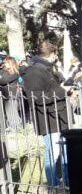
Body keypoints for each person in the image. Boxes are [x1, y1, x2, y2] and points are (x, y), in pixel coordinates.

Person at [20, 41, 70, 186]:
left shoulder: (48, 68)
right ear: (52, 54)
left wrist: (65, 86)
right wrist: (62, 91)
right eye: (56, 54)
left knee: (65, 149)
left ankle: (67, 181)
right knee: (53, 152)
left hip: (57, 115)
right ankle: (54, 185)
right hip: (48, 118)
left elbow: (52, 87)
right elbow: (37, 97)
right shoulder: (34, 71)